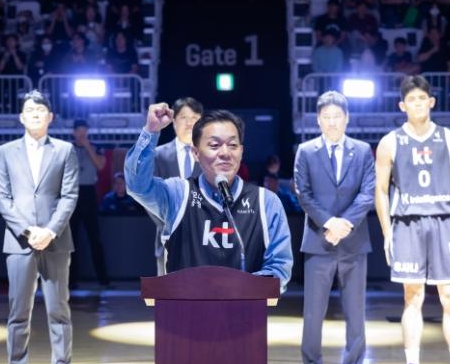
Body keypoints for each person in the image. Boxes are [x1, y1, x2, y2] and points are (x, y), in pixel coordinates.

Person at [375, 75, 450, 364]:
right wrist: (387, 231)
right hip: (408, 223)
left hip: (444, 221)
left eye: (423, 98)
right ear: (402, 105)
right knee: (413, 296)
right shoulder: (391, 142)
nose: (418, 104)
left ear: (431, 102)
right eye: (412, 99)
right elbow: (381, 191)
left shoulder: (449, 138)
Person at [125, 104, 292, 290]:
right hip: (184, 306)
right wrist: (150, 131)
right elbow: (138, 186)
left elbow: (280, 268)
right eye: (214, 145)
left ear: (241, 152)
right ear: (196, 153)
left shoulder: (265, 202)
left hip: (244, 307)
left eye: (232, 145)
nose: (225, 153)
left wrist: (240, 289)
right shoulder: (179, 194)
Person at [0, 90, 79, 364]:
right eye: (30, 110)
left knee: (59, 312)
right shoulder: (6, 151)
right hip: (19, 242)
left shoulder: (65, 150)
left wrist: (50, 231)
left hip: (56, 241)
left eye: (40, 110)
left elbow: (69, 196)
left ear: (50, 117)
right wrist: (28, 231)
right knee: (18, 313)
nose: (35, 114)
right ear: (21, 117)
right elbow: (2, 197)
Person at [293, 91, 375, 364]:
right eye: (326, 117)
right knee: (313, 314)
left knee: (356, 313)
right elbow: (303, 194)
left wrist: (344, 224)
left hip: (354, 243)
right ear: (318, 120)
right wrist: (329, 222)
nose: (331, 122)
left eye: (336, 116)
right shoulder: (306, 151)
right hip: (319, 241)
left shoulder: (363, 151)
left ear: (347, 118)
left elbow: (367, 194)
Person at [151, 97, 203, 275]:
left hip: (205, 239)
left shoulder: (210, 156)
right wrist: (168, 224)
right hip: (168, 238)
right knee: (168, 290)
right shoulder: (159, 155)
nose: (189, 123)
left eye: (194, 118)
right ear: (173, 122)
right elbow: (150, 197)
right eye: (184, 117)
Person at [69, 119, 109, 288]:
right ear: (73, 132)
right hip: (71, 193)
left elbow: (100, 165)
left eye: (84, 130)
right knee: (71, 239)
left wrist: (87, 146)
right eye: (79, 130)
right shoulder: (66, 148)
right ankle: (71, 281)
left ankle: (103, 280)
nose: (81, 134)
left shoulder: (96, 147)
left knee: (95, 238)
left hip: (89, 193)